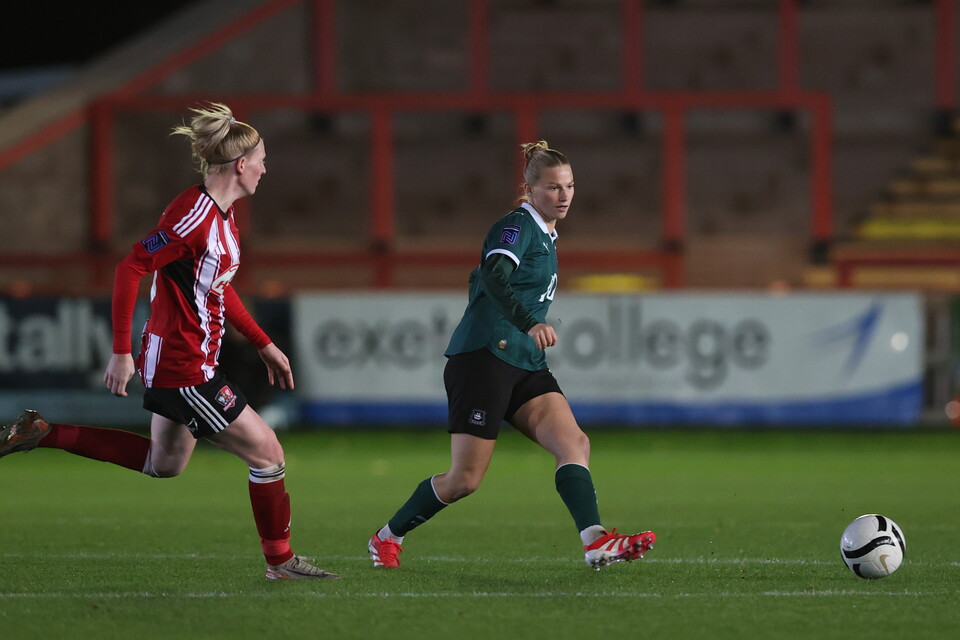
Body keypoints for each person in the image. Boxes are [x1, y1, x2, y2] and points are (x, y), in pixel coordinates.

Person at [0, 102, 338, 581]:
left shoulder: (222, 219)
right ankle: (281, 563)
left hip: (188, 361)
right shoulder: (193, 217)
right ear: (241, 165)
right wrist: (120, 351)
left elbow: (217, 288)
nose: (266, 168)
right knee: (269, 454)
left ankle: (45, 432)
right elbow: (130, 266)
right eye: (261, 159)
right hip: (185, 367)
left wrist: (262, 342)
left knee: (165, 464)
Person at [367, 141, 656, 571]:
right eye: (554, 187)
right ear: (529, 188)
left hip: (524, 361)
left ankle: (595, 542)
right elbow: (493, 275)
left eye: (570, 186)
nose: (564, 196)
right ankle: (386, 538)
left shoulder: (546, 235)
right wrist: (529, 323)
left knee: (575, 442)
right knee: (464, 480)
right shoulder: (517, 226)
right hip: (484, 356)